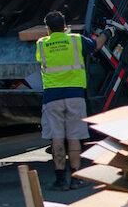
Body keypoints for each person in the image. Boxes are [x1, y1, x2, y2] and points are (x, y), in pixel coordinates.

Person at [36, 11, 107, 190]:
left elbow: (40, 60)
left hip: (52, 97)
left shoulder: (41, 44)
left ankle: (60, 180)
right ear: (65, 26)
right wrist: (108, 32)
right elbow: (96, 45)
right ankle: (75, 178)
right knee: (74, 137)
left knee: (57, 138)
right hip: (75, 95)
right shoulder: (76, 40)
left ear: (48, 29)